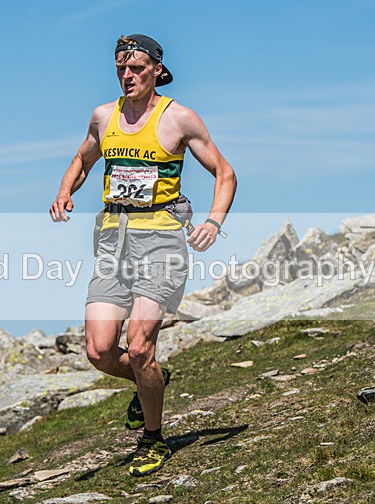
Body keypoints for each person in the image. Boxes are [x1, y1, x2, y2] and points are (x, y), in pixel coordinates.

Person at [49, 34, 236, 477]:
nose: (126, 76)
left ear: (156, 70)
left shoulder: (180, 119)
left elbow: (225, 173)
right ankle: (152, 380)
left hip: (163, 241)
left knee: (138, 346)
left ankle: (153, 439)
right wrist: (63, 191)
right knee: (98, 351)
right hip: (113, 240)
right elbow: (82, 159)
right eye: (120, 69)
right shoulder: (103, 117)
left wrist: (212, 222)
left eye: (135, 69)